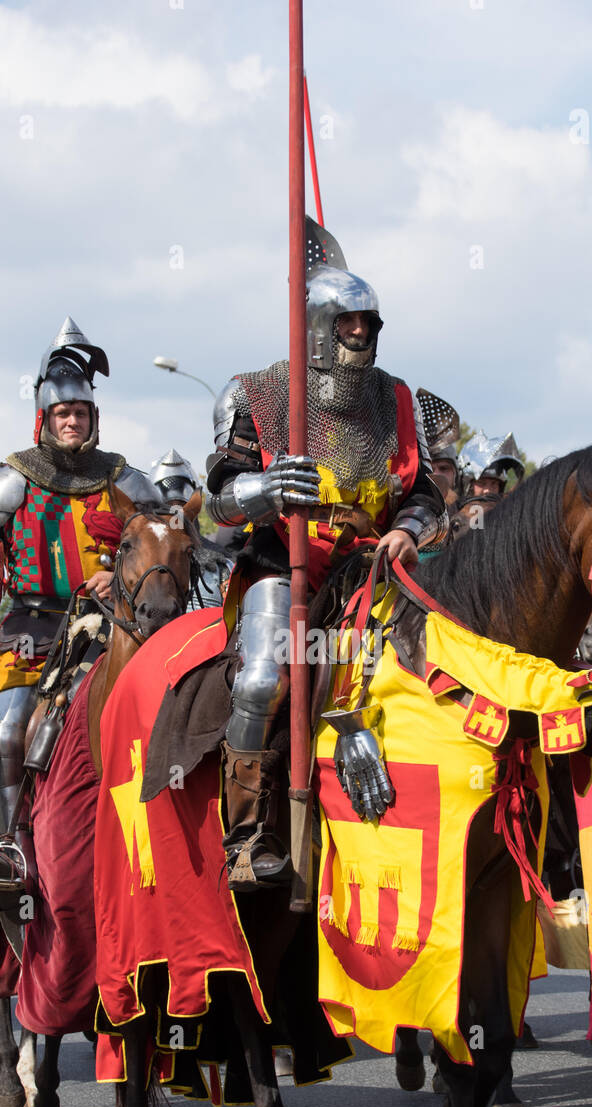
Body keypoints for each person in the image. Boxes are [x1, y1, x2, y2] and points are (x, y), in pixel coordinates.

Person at [205, 221, 448, 888]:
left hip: (376, 570)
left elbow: (426, 492)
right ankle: (247, 836)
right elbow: (217, 499)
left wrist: (412, 529)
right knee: (262, 680)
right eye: (348, 323)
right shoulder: (255, 391)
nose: (361, 334)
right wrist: (266, 486)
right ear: (316, 325)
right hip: (287, 566)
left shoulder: (397, 399)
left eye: (368, 323)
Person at [0, 318, 162, 878]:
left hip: (110, 625)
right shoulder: (10, 481)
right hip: (28, 628)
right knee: (8, 729)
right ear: (44, 418)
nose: (72, 422)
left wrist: (124, 581)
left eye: (80, 413)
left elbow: (168, 551)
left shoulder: (126, 481)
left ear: (94, 419)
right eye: (63, 414)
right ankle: (8, 845)